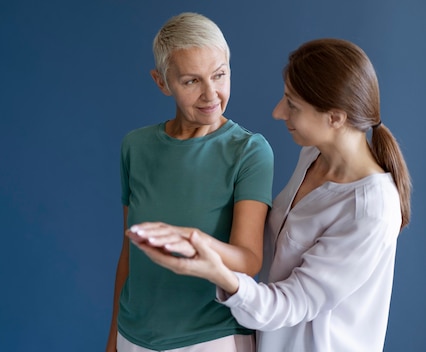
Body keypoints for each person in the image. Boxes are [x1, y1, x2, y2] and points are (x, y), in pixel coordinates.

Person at [129, 38, 412, 352]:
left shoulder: (371, 208)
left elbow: (291, 304)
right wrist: (195, 239)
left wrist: (217, 273)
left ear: (335, 118)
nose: (278, 112)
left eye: (292, 104)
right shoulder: (313, 156)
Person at [105, 12, 274, 352]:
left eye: (219, 75)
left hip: (211, 338)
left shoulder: (249, 151)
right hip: (132, 336)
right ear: (162, 81)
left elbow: (249, 259)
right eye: (191, 81)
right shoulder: (135, 147)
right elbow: (129, 255)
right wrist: (113, 340)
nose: (210, 94)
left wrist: (195, 241)